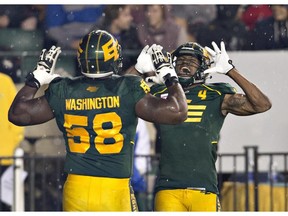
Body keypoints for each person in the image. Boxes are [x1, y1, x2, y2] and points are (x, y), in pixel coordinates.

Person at [8, 29, 188, 211]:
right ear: (113, 59)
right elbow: (178, 111)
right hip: (114, 188)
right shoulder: (128, 88)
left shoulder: (63, 89)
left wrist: (36, 78)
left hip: (76, 188)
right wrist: (168, 74)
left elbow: (17, 113)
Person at [146, 41, 272, 211]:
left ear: (203, 67)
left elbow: (262, 104)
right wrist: (141, 72)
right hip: (168, 188)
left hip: (204, 187)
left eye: (192, 62)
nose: (185, 65)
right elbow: (124, 102)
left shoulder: (216, 93)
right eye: (181, 60)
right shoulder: (159, 91)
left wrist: (231, 71)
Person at [0, 72, 24, 211]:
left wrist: (15, 139)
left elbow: (17, 113)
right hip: (7, 154)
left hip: (7, 156)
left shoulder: (5, 81)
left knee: (6, 203)